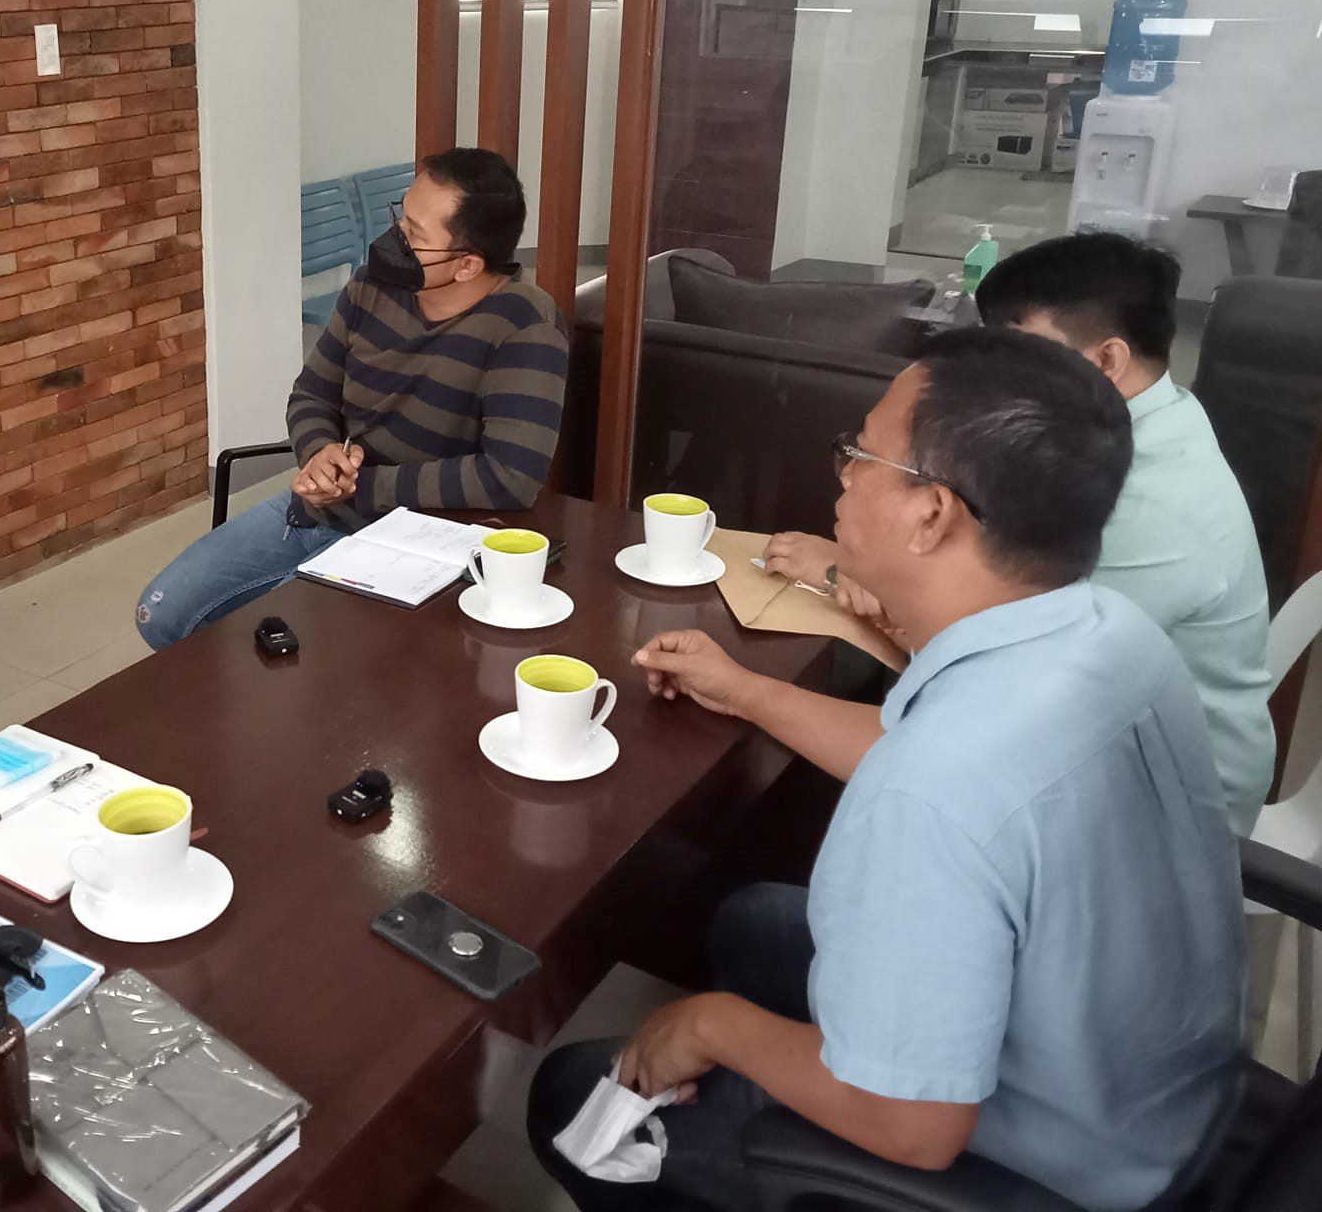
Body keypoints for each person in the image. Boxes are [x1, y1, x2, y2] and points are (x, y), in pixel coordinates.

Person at [529, 328, 1243, 1212]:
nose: (843, 475)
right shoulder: (1106, 631)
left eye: (860, 453)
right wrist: (745, 691)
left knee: (570, 1092)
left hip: (1060, 1167)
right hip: (1158, 1082)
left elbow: (915, 1125)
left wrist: (714, 1027)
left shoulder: (938, 792)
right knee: (752, 922)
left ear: (932, 512)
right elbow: (946, 772)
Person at [767, 231, 1274, 833]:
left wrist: (843, 571)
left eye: (1022, 352)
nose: (997, 375)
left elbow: (983, 672)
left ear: (1107, 360)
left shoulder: (1137, 502)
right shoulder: (1139, 425)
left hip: (1151, 811)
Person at [133, 148, 568, 649]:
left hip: (420, 541)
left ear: (468, 265)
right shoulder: (372, 286)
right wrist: (318, 453)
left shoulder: (524, 326)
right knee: (159, 615)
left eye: (414, 236)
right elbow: (312, 391)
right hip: (324, 507)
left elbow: (509, 479)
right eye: (400, 218)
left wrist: (360, 487)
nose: (394, 241)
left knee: (270, 658)